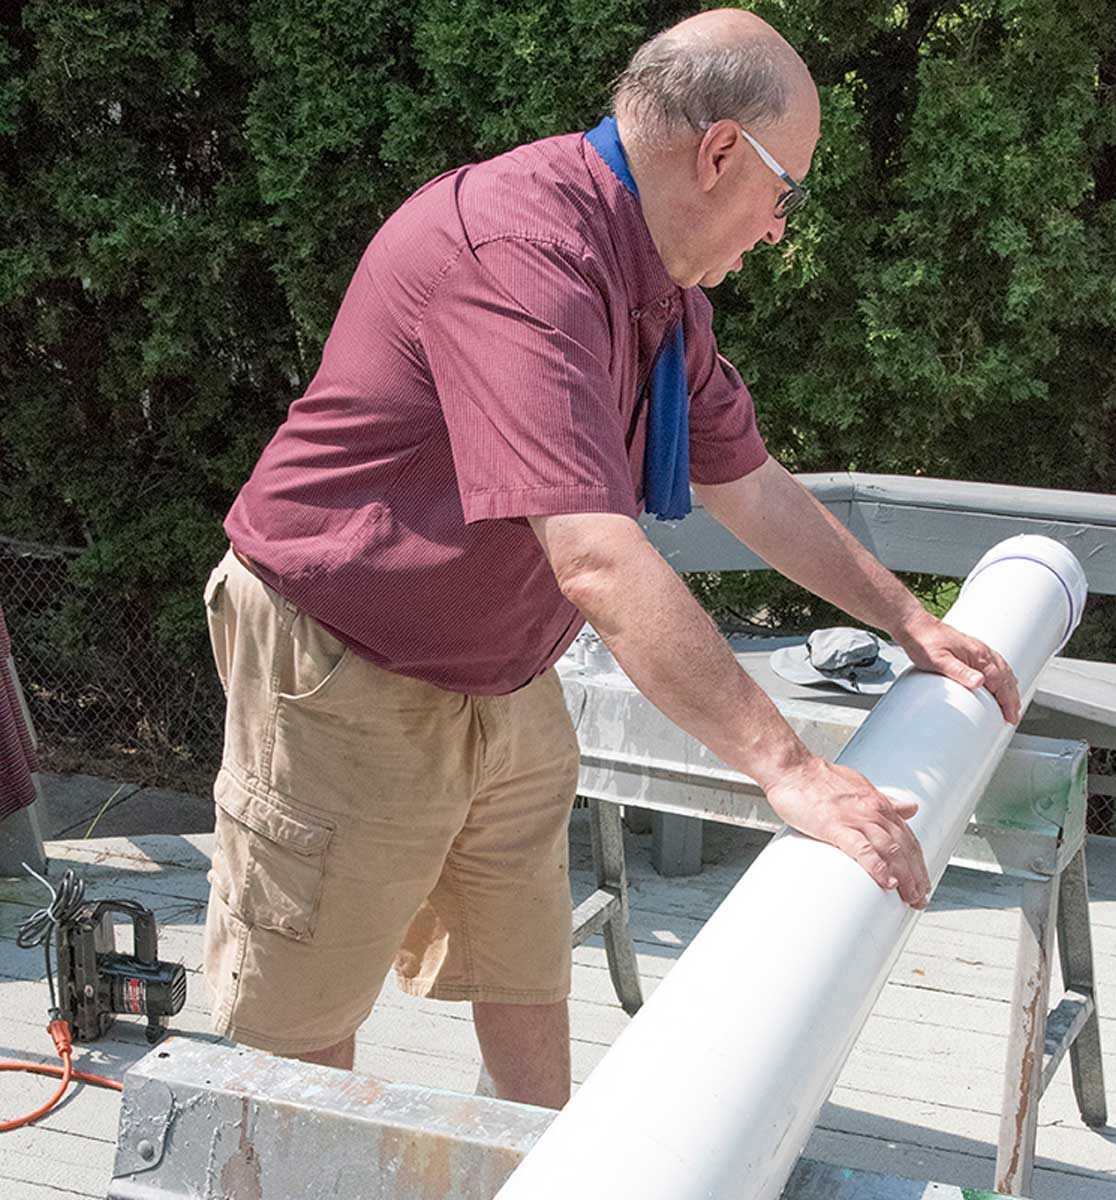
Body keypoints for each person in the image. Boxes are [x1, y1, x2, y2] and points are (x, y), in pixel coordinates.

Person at [201, 8, 1019, 1111]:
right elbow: (594, 557)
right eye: (791, 191)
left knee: (526, 976)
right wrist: (790, 770)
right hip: (343, 667)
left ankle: (543, 1172)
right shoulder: (521, 256)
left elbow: (751, 484)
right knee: (294, 1034)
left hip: (502, 672)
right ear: (721, 152)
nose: (783, 227)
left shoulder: (658, 293)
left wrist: (906, 622)